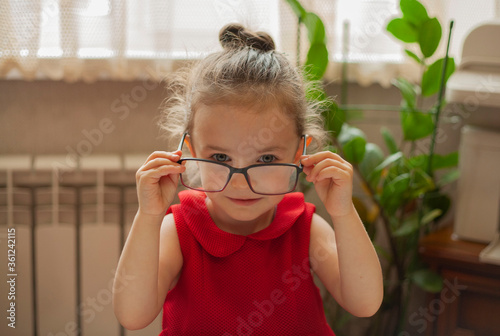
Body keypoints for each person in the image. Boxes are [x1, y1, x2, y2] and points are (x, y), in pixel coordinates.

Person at [112, 23, 383, 335]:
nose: (239, 183)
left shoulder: (303, 227)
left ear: (299, 155)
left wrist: (343, 212)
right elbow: (132, 316)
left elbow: (364, 303)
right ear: (189, 152)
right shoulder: (180, 230)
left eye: (265, 159)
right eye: (220, 158)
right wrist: (148, 216)